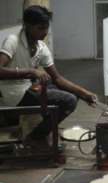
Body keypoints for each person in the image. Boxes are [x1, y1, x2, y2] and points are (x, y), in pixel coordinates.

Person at [0, 5, 97, 149]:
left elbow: (57, 78)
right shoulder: (12, 41)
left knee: (72, 95)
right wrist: (30, 72)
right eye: (40, 28)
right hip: (14, 94)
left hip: (28, 88)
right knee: (68, 100)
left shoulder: (41, 48)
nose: (45, 32)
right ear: (27, 25)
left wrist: (84, 93)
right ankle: (34, 138)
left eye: (46, 28)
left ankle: (46, 129)